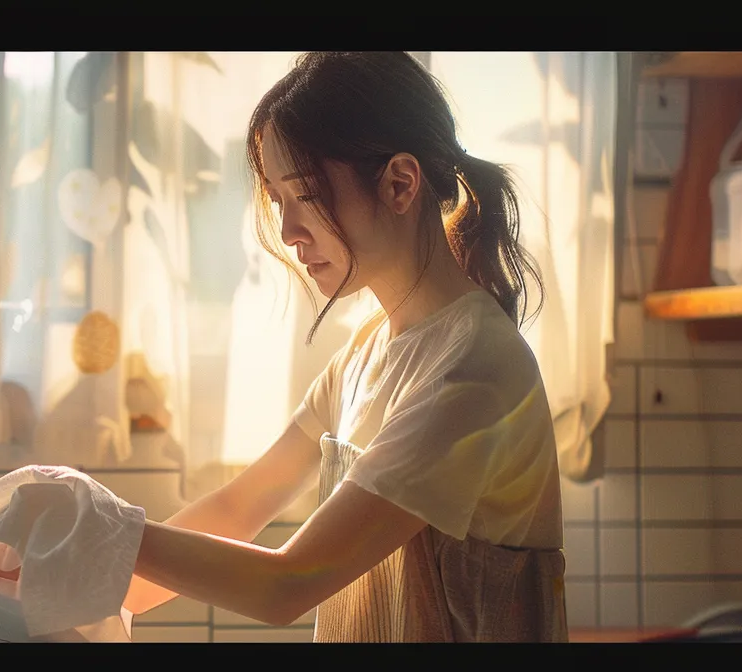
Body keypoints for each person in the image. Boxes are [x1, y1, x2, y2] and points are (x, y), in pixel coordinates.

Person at [116, 51, 568, 643]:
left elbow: (289, 584)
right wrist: (60, 584)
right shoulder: (363, 353)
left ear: (400, 184)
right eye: (278, 202)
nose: (287, 232)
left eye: (305, 195)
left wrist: (94, 529)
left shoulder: (476, 369)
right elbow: (237, 510)